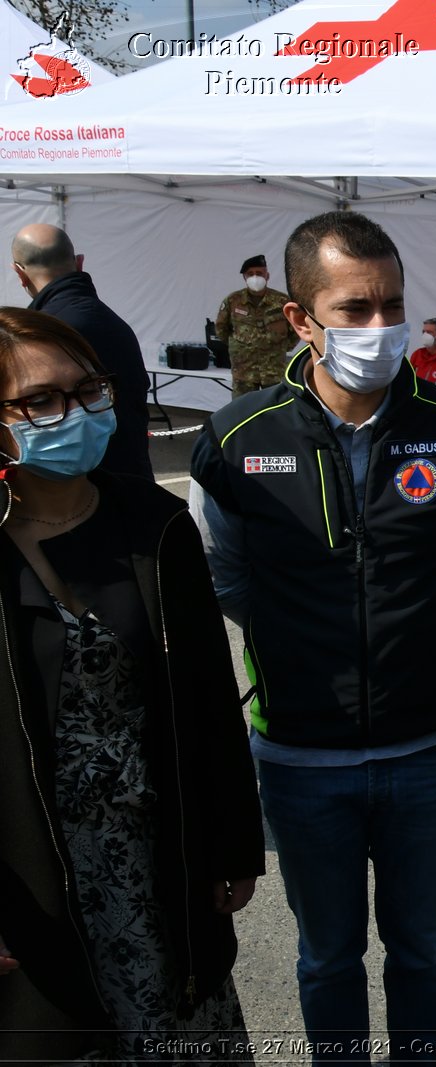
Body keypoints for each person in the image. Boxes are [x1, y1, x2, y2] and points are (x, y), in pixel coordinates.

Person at [189, 212, 436, 1063]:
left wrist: (415, 628)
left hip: (427, 746)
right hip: (300, 757)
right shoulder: (237, 437)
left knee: (420, 948)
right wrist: (298, 640)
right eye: (355, 308)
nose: (381, 327)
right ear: (301, 319)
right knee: (327, 954)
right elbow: (222, 576)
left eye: (393, 304)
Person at [0, 308, 263, 1063]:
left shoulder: (155, 525)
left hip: (160, 856)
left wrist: (235, 842)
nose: (74, 412)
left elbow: (211, 699)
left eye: (89, 389)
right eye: (41, 401)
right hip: (34, 868)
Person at [11, 223, 152, 480]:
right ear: (79, 262)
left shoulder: (42, 335)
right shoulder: (111, 321)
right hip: (131, 476)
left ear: (19, 273)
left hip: (81, 488)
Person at [214, 253, 292, 397]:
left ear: (267, 276)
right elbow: (221, 329)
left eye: (259, 273)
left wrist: (282, 348)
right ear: (245, 277)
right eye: (250, 274)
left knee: (276, 411)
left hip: (273, 370)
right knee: (243, 412)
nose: (255, 277)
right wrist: (237, 347)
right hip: (244, 371)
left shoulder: (282, 301)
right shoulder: (233, 301)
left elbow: (294, 329)